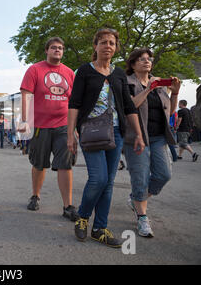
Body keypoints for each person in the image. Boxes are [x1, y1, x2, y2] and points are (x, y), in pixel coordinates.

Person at [67, 28, 145, 248]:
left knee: (109, 183)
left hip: (116, 133)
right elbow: (74, 103)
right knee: (98, 179)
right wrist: (71, 134)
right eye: (103, 42)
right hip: (91, 132)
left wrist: (138, 134)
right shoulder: (84, 71)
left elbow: (129, 106)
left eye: (111, 43)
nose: (108, 46)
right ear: (95, 46)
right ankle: (83, 216)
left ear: (116, 47)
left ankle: (100, 228)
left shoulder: (119, 73)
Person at [19, 36, 79, 221]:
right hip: (40, 126)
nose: (57, 50)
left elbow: (74, 101)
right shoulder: (34, 70)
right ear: (46, 50)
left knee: (65, 164)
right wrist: (25, 120)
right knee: (39, 163)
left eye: (60, 48)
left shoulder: (69, 73)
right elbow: (26, 96)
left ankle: (67, 206)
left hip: (63, 126)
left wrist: (74, 127)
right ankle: (35, 195)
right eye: (53, 47)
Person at [123, 48, 180, 238]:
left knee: (164, 174)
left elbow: (170, 112)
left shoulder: (159, 84)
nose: (146, 62)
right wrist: (148, 89)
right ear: (133, 64)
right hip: (136, 137)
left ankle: (136, 198)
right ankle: (142, 217)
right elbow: (129, 106)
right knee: (139, 177)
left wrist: (174, 94)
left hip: (158, 137)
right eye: (141, 59)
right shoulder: (127, 82)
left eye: (149, 59)